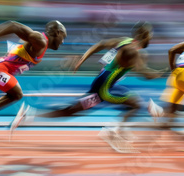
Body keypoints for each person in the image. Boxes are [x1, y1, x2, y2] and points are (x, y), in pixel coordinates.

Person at [11, 21, 167, 152]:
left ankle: (30, 116)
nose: (151, 38)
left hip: (102, 82)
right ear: (144, 35)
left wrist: (82, 59)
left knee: (71, 111)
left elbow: (100, 45)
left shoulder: (124, 41)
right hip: (104, 89)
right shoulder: (133, 51)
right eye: (151, 35)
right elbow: (144, 73)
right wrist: (164, 72)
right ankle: (113, 132)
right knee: (135, 103)